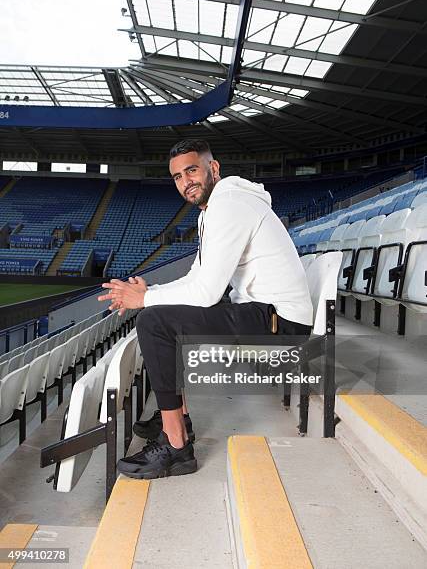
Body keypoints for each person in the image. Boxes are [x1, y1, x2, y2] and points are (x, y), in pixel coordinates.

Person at [98, 139, 313, 480]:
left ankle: (177, 446)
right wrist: (151, 291)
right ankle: (176, 417)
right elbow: (196, 277)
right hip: (264, 312)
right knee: (163, 314)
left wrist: (144, 300)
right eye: (177, 177)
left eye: (192, 170)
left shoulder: (230, 204)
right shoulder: (214, 209)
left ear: (213, 169)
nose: (186, 181)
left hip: (281, 323)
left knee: (154, 321)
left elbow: (208, 293)